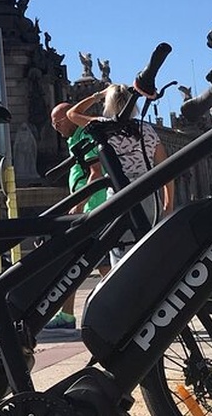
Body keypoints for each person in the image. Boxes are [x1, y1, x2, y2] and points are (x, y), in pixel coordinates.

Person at [67, 83, 175, 266]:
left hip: (119, 193)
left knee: (120, 250)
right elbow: (166, 169)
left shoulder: (103, 127)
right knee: (148, 245)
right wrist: (168, 204)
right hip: (148, 194)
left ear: (108, 104)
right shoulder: (146, 130)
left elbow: (72, 114)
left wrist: (98, 95)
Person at [45, 102, 108, 330]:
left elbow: (96, 172)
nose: (55, 127)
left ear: (69, 119)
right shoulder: (76, 138)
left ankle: (124, 302)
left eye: (57, 122)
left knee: (95, 263)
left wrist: (80, 203)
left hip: (93, 208)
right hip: (90, 208)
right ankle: (67, 314)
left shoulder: (84, 136)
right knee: (74, 262)